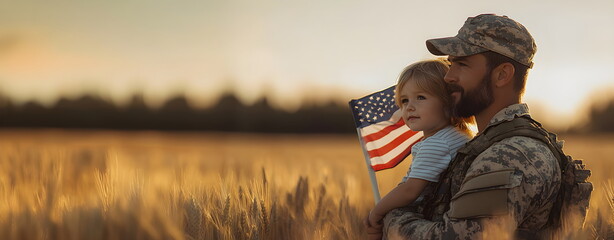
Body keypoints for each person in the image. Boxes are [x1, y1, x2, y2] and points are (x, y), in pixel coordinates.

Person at [378, 13, 569, 239]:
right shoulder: (484, 144)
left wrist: (390, 217)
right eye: (450, 64)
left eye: (462, 64)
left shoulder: (510, 155)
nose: (448, 77)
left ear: (501, 75)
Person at [363, 59, 474, 240]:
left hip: (428, 218)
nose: (409, 107)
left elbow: (410, 190)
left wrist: (377, 212)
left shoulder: (436, 143)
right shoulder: (459, 135)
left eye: (421, 97)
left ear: (448, 102)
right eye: (404, 100)